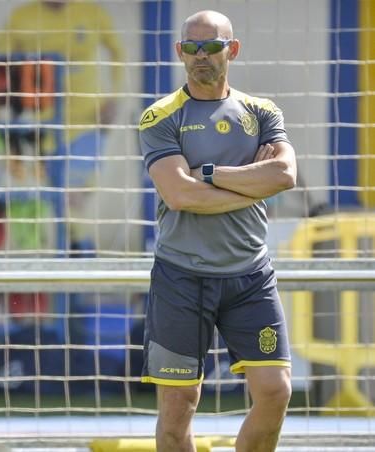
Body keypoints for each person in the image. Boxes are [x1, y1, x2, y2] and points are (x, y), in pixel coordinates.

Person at [138, 10, 295, 451]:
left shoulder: (262, 111)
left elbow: (284, 174)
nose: (201, 56)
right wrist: (251, 185)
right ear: (179, 52)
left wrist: (206, 173)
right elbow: (180, 196)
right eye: (192, 47)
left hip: (250, 277)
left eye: (212, 46)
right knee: (178, 406)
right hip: (181, 277)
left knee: (275, 390)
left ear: (233, 49)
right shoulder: (160, 117)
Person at [6, 0, 125, 251]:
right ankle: (72, 260)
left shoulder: (92, 12)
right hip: (41, 127)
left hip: (87, 123)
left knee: (74, 198)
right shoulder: (21, 18)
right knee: (56, 203)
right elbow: (6, 67)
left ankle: (80, 259)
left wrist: (115, 97)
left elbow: (118, 52)